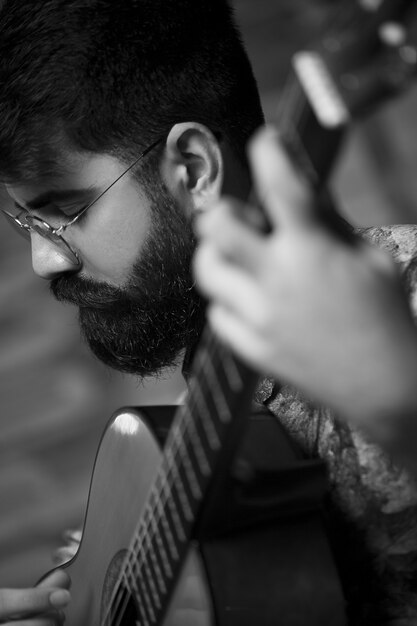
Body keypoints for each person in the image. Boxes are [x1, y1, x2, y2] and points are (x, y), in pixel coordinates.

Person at [0, 0, 415, 624]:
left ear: (194, 170)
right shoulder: (206, 420)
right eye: (24, 219)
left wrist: (397, 400)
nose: (44, 260)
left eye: (66, 209)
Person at [194, 125, 417, 473]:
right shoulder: (197, 415)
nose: (72, 262)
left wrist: (398, 405)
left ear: (194, 169)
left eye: (76, 209)